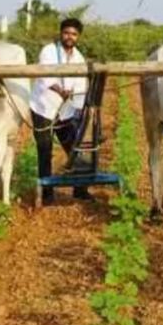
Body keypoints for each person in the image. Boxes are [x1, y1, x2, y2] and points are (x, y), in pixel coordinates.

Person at [30, 18, 93, 204]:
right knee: (45, 149)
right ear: (61, 33)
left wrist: (77, 106)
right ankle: (47, 193)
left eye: (73, 34)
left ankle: (80, 190)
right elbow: (46, 77)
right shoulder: (48, 51)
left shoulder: (79, 58)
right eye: (66, 33)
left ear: (78, 37)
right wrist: (61, 91)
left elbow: (81, 87)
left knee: (75, 148)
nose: (69, 37)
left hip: (65, 111)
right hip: (43, 107)